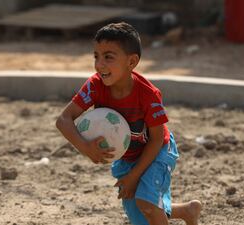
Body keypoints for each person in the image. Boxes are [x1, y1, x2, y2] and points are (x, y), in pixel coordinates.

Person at [55, 22, 202, 225]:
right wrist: (85, 147)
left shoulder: (148, 95)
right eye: (96, 56)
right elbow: (63, 120)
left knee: (147, 204)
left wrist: (134, 177)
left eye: (108, 57)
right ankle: (187, 211)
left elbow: (157, 139)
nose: (100, 64)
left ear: (131, 62)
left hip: (158, 151)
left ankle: (168, 208)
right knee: (142, 217)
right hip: (127, 158)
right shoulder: (95, 85)